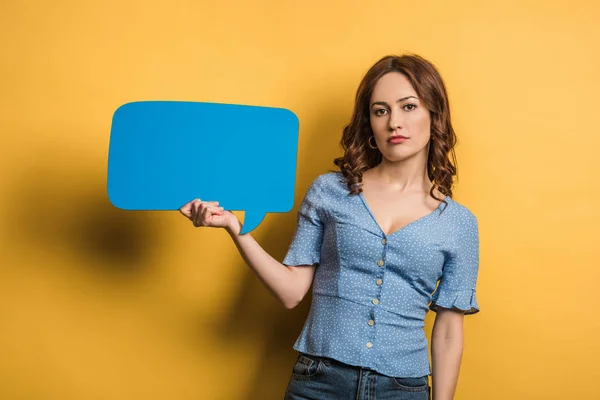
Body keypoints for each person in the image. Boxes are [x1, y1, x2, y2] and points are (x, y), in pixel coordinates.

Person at [179, 53, 481, 400]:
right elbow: (291, 292)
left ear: (434, 115)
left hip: (403, 390)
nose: (394, 121)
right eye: (381, 110)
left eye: (408, 106)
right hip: (318, 381)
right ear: (370, 124)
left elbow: (448, 330)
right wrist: (235, 227)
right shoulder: (329, 192)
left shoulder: (458, 223)